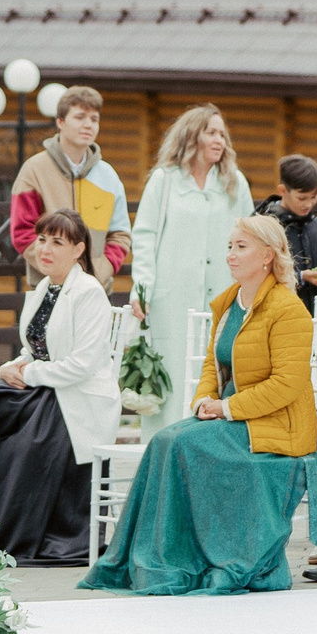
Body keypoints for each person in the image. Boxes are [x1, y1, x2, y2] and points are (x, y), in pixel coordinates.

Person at [81, 216, 317, 596]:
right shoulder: (229, 304)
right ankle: (157, 558)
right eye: (230, 246)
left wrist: (225, 408)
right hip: (234, 417)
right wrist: (204, 399)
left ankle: (190, 559)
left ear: (267, 257)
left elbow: (286, 386)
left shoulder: (288, 309)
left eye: (241, 247)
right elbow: (213, 364)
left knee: (182, 444)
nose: (230, 255)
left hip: (277, 426)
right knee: (164, 440)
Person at [0, 210, 117, 565]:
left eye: (57, 242)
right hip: (44, 389)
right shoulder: (44, 288)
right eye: (42, 239)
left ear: (78, 250)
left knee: (20, 445)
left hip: (76, 399)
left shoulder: (88, 293)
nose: (45, 248)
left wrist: (28, 374)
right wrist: (10, 365)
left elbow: (82, 365)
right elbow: (35, 348)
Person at [130, 105, 254, 416]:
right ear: (191, 136)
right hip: (171, 299)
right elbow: (144, 236)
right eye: (211, 132)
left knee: (213, 372)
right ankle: (162, 450)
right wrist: (141, 289)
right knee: (170, 373)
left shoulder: (234, 183)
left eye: (222, 134)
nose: (219, 140)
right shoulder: (164, 180)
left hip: (223, 297)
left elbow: (252, 236)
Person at [9, 86, 133, 282]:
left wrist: (98, 272)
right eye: (80, 117)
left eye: (94, 119)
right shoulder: (34, 170)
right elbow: (22, 232)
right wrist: (61, 271)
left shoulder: (108, 175)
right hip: (48, 288)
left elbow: (121, 234)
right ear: (60, 122)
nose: (88, 125)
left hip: (96, 291)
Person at [260, 154, 317, 307]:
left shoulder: (316, 225)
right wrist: (301, 277)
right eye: (302, 198)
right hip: (276, 311)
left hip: (312, 313)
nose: (309, 204)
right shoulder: (265, 224)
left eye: (314, 197)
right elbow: (259, 273)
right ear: (282, 191)